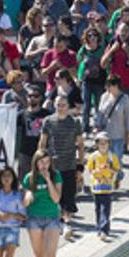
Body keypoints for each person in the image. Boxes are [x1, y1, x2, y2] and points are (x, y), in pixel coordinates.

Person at [38, 97, 84, 241]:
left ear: (68, 106)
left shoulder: (75, 122)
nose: (60, 107)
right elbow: (42, 142)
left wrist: (80, 165)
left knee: (68, 198)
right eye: (58, 105)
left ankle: (67, 224)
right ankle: (57, 224)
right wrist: (40, 162)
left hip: (69, 165)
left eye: (63, 105)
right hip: (53, 165)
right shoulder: (48, 121)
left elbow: (81, 145)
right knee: (53, 197)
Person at [22, 151, 61, 257]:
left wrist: (48, 180)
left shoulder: (56, 175)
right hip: (34, 218)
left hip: (51, 217)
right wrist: (28, 196)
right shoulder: (29, 178)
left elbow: (56, 198)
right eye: (41, 162)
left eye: (47, 162)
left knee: (50, 256)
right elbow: (25, 201)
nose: (44, 165)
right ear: (36, 163)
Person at [84, 133, 120, 242]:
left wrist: (109, 170)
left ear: (109, 144)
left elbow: (117, 169)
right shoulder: (93, 157)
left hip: (107, 186)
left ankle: (104, 229)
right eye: (101, 143)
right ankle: (99, 228)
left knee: (106, 208)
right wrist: (96, 171)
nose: (103, 145)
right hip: (96, 186)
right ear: (97, 144)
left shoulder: (111, 156)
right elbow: (89, 169)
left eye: (105, 143)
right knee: (98, 208)